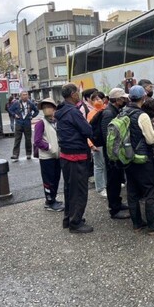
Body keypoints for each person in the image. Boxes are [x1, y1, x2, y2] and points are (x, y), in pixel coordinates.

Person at [123, 85, 154, 234]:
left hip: (127, 158)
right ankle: (153, 225)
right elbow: (150, 140)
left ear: (129, 98)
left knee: (132, 191)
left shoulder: (122, 112)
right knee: (150, 190)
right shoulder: (141, 115)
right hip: (143, 159)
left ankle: (137, 224)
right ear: (143, 98)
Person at [55, 83, 94, 233]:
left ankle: (68, 218)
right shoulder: (73, 112)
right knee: (79, 191)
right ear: (72, 94)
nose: (78, 94)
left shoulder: (62, 110)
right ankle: (75, 222)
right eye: (77, 92)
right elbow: (87, 130)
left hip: (66, 155)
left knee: (69, 189)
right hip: (76, 156)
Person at [99, 87, 130, 219]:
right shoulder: (108, 113)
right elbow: (108, 137)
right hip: (112, 155)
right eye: (123, 98)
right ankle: (114, 209)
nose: (125, 100)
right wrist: (114, 155)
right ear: (117, 100)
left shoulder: (114, 110)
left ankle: (117, 202)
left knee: (117, 180)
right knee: (112, 181)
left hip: (115, 153)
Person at [33, 98, 63, 212]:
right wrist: (49, 147)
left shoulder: (56, 121)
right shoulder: (41, 123)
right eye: (44, 107)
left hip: (57, 155)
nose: (46, 109)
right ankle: (50, 201)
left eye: (49, 107)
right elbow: (37, 140)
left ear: (54, 108)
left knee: (56, 178)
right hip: (47, 157)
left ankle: (53, 199)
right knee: (48, 180)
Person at [9, 91, 39, 162]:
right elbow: (10, 110)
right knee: (17, 139)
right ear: (20, 96)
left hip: (27, 123)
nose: (25, 96)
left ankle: (28, 154)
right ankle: (15, 155)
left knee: (28, 139)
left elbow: (36, 111)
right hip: (19, 123)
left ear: (28, 96)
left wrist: (32, 116)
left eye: (26, 95)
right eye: (23, 95)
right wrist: (14, 115)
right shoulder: (16, 103)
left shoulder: (30, 103)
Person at [87, 90, 107, 197]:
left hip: (106, 143)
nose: (97, 101)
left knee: (106, 165)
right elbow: (88, 131)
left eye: (99, 98)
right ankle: (100, 188)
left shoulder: (106, 111)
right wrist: (91, 144)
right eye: (94, 99)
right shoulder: (91, 114)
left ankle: (107, 185)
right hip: (96, 144)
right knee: (99, 166)